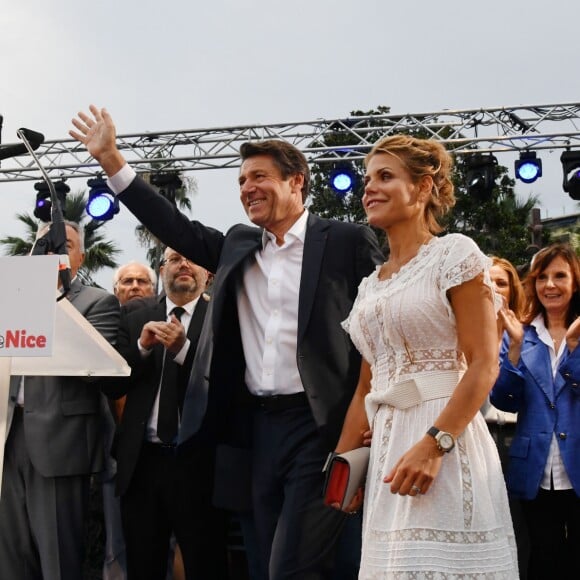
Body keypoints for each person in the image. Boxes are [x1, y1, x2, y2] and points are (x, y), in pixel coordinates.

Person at [70, 105, 384, 580]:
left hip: (319, 425)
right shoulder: (240, 243)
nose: (246, 189)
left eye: (259, 176)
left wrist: (372, 415)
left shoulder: (345, 241)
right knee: (261, 559)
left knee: (295, 563)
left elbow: (380, 333)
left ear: (296, 181)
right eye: (240, 181)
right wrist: (113, 160)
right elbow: (173, 225)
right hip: (252, 430)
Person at [333, 134, 518, 577]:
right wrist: (341, 468)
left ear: (423, 187)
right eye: (367, 179)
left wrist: (435, 445)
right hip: (386, 453)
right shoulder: (369, 286)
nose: (369, 188)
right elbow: (366, 387)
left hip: (445, 440)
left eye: (385, 176)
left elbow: (484, 363)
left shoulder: (455, 253)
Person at [0, 220, 121, 580]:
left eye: (63, 245)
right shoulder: (11, 299)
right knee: (10, 557)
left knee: (57, 560)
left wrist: (51, 294)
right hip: (8, 438)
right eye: (44, 244)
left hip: (59, 445)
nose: (52, 250)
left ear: (80, 257)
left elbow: (96, 365)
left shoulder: (99, 302)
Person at [101, 247, 229, 580]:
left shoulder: (224, 315)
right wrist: (141, 349)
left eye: (193, 257)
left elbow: (228, 389)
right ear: (162, 270)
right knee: (143, 566)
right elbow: (110, 385)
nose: (184, 264)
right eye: (174, 258)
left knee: (205, 565)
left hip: (198, 466)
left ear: (209, 275)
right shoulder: (133, 315)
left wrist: (184, 352)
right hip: (142, 465)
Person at [490, 243, 580, 580]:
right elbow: (505, 400)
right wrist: (513, 349)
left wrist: (573, 350)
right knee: (543, 558)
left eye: (560, 276)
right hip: (535, 470)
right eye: (542, 277)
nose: (550, 285)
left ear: (575, 282)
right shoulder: (520, 333)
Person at [100, 260, 158, 580]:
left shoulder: (162, 328)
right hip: (111, 457)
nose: (134, 286)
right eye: (127, 282)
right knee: (116, 543)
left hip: (154, 455)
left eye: (142, 281)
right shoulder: (104, 329)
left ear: (154, 290)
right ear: (115, 290)